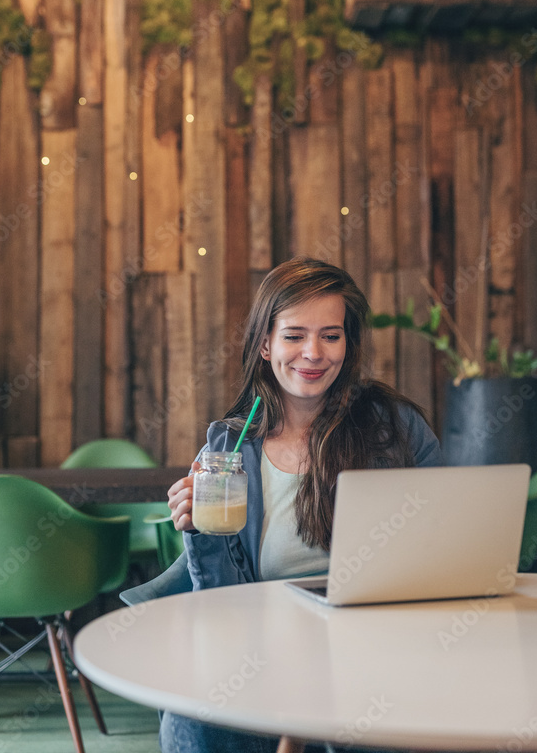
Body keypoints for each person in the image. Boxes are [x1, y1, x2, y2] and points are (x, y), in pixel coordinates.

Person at [165, 256, 443, 753]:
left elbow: (448, 534)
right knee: (192, 722)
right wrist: (199, 532)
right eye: (294, 335)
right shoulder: (228, 448)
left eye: (331, 335)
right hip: (262, 644)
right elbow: (220, 602)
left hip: (374, 639)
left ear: (347, 343)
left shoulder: (394, 427)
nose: (313, 353)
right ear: (265, 343)